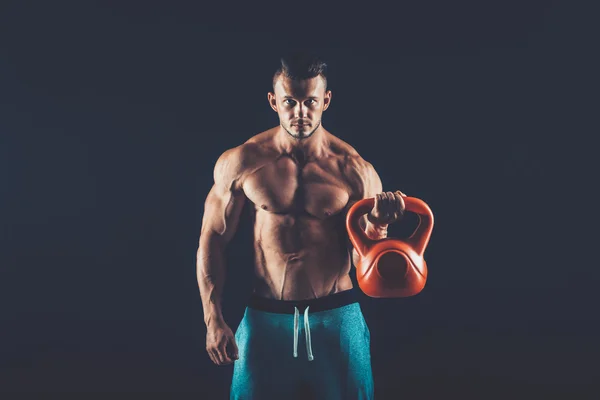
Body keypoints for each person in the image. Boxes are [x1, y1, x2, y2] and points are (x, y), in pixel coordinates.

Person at [197, 53, 407, 399]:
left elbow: (365, 263)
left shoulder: (355, 171)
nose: (300, 113)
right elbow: (212, 239)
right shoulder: (243, 162)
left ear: (325, 100)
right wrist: (213, 320)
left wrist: (378, 225)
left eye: (310, 102)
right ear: (273, 101)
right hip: (265, 320)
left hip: (337, 319)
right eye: (289, 102)